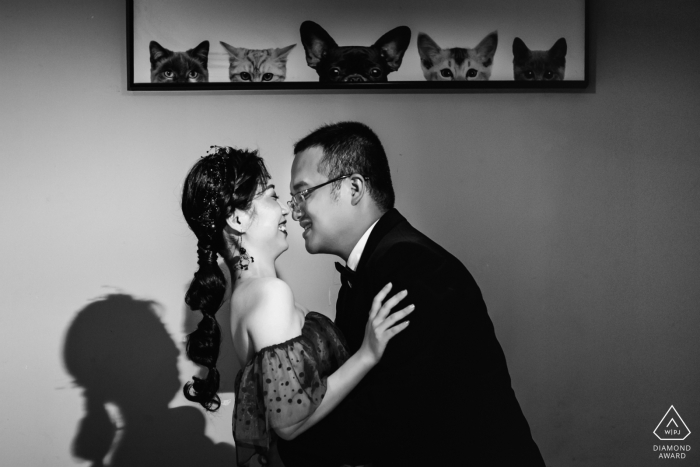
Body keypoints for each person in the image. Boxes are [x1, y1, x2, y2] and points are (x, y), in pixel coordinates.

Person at [278, 122, 546, 466]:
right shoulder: (378, 265)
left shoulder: (413, 266)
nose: (296, 210)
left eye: (303, 194)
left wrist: (291, 432)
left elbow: (399, 410)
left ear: (354, 188)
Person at [180, 146, 414, 466]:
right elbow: (289, 423)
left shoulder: (249, 296)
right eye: (272, 196)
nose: (286, 210)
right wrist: (368, 354)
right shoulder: (269, 294)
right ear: (238, 218)